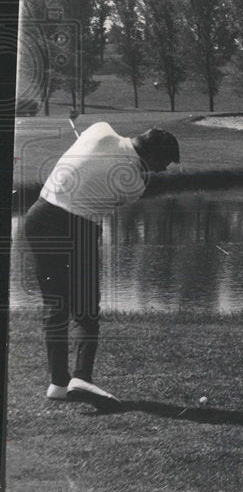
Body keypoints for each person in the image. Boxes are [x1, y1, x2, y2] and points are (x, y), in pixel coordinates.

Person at [22, 122, 180, 404]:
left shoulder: (100, 129)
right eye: (164, 162)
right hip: (77, 227)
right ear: (153, 156)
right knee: (85, 310)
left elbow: (94, 140)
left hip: (39, 215)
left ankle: (58, 383)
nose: (164, 169)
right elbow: (120, 197)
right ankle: (81, 377)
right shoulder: (136, 184)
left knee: (55, 305)